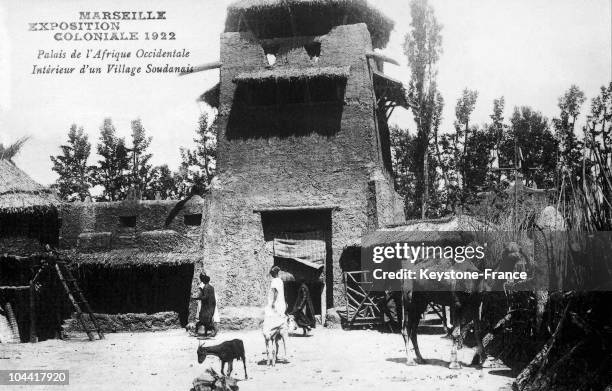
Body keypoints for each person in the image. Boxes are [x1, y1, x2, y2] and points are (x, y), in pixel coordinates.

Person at [262, 266, 288, 357]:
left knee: (271, 327)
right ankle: (281, 352)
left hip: (276, 306)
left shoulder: (274, 281)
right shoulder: (280, 281)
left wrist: (273, 303)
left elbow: (275, 292)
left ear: (273, 273)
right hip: (281, 306)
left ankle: (272, 350)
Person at [196, 272, 218, 337]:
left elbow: (205, 297)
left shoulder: (206, 287)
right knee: (207, 320)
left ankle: (210, 331)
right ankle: (207, 333)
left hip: (207, 307)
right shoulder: (211, 287)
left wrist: (198, 298)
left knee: (204, 320)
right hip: (211, 306)